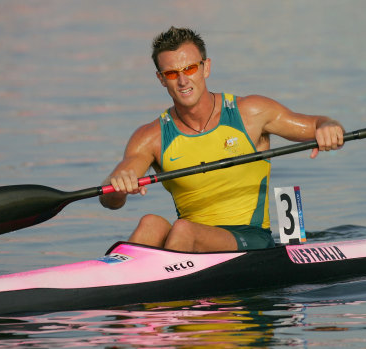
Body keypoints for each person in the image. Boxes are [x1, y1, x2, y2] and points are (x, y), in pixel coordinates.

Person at [100, 27, 344, 252]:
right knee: (150, 223)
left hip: (252, 239)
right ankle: (112, 285)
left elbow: (316, 124)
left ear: (206, 67)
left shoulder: (251, 113)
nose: (183, 80)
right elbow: (110, 198)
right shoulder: (150, 136)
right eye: (172, 73)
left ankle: (158, 295)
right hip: (188, 242)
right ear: (161, 79)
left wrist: (329, 127)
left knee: (184, 229)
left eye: (190, 69)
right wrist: (119, 186)